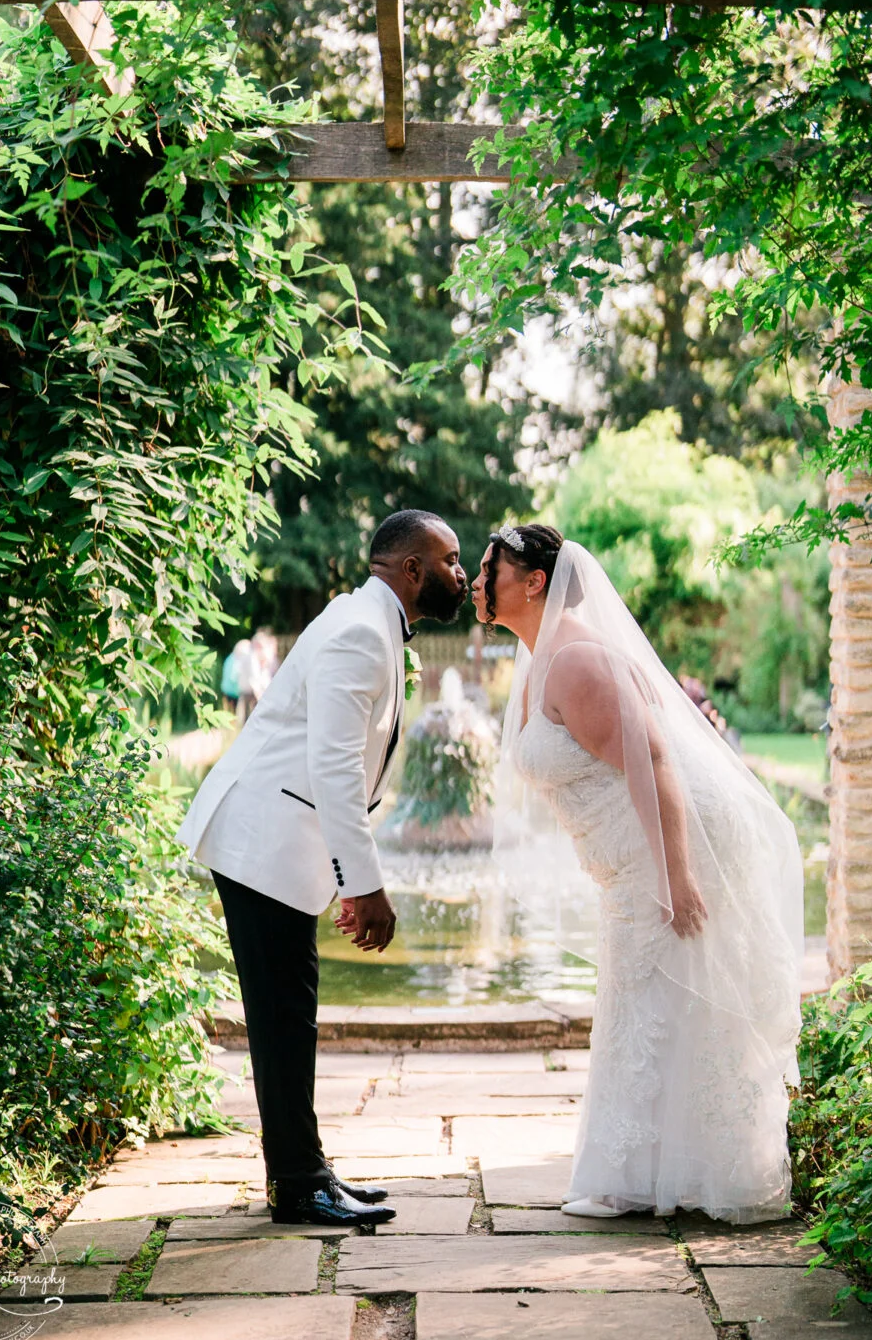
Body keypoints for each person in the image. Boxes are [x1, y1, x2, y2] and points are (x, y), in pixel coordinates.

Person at [472, 524, 803, 1223]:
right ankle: (647, 1173)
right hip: (628, 855)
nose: (476, 579)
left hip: (680, 840)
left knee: (673, 987)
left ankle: (704, 1173)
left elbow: (654, 763)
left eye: (488, 567)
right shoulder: (539, 661)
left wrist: (675, 876)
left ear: (534, 582)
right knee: (642, 1000)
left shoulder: (576, 662)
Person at [178, 510, 468, 1225]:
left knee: (288, 1013)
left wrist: (340, 872)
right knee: (283, 1017)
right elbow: (333, 767)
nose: (459, 573)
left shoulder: (364, 621)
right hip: (260, 840)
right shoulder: (361, 633)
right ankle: (300, 1187)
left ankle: (305, 1174)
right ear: (411, 569)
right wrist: (365, 886)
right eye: (451, 560)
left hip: (275, 840)